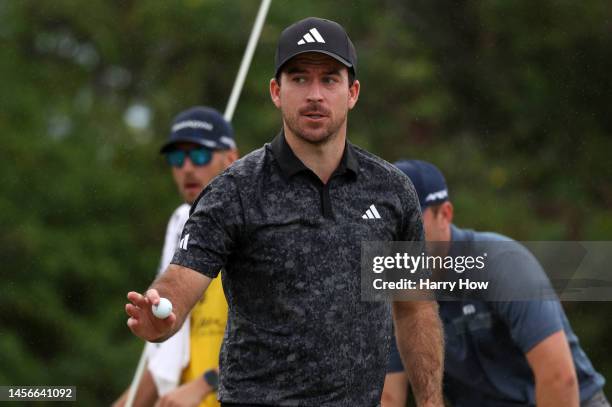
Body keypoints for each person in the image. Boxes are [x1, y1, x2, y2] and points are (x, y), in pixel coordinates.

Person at [125, 17, 444, 407]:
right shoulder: (234, 190)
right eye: (299, 79)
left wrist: (430, 402)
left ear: (353, 92)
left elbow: (414, 309)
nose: (315, 94)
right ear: (276, 91)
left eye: (329, 79)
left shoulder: (392, 190)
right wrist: (162, 315)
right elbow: (181, 280)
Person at [382, 159, 608, 407]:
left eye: (411, 220)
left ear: (444, 214)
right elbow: (388, 396)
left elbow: (559, 379)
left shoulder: (501, 263)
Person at [114, 106, 238, 407]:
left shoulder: (258, 225)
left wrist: (205, 384)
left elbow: (283, 341)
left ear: (230, 158)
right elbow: (164, 362)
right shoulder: (181, 226)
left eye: (199, 155)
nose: (187, 168)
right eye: (176, 158)